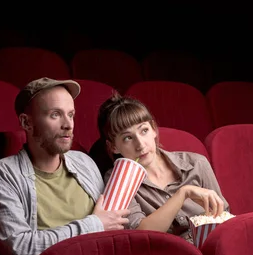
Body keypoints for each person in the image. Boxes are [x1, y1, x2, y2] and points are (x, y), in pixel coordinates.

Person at [0, 77, 130, 255]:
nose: (68, 125)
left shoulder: (84, 162)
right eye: (55, 114)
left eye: (71, 115)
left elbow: (114, 224)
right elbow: (19, 250)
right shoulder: (4, 174)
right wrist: (93, 225)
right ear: (26, 122)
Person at [97, 92, 229, 243]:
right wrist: (182, 194)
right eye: (128, 138)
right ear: (113, 146)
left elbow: (224, 218)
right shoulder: (118, 180)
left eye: (144, 130)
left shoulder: (197, 163)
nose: (140, 145)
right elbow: (140, 234)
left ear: (154, 129)